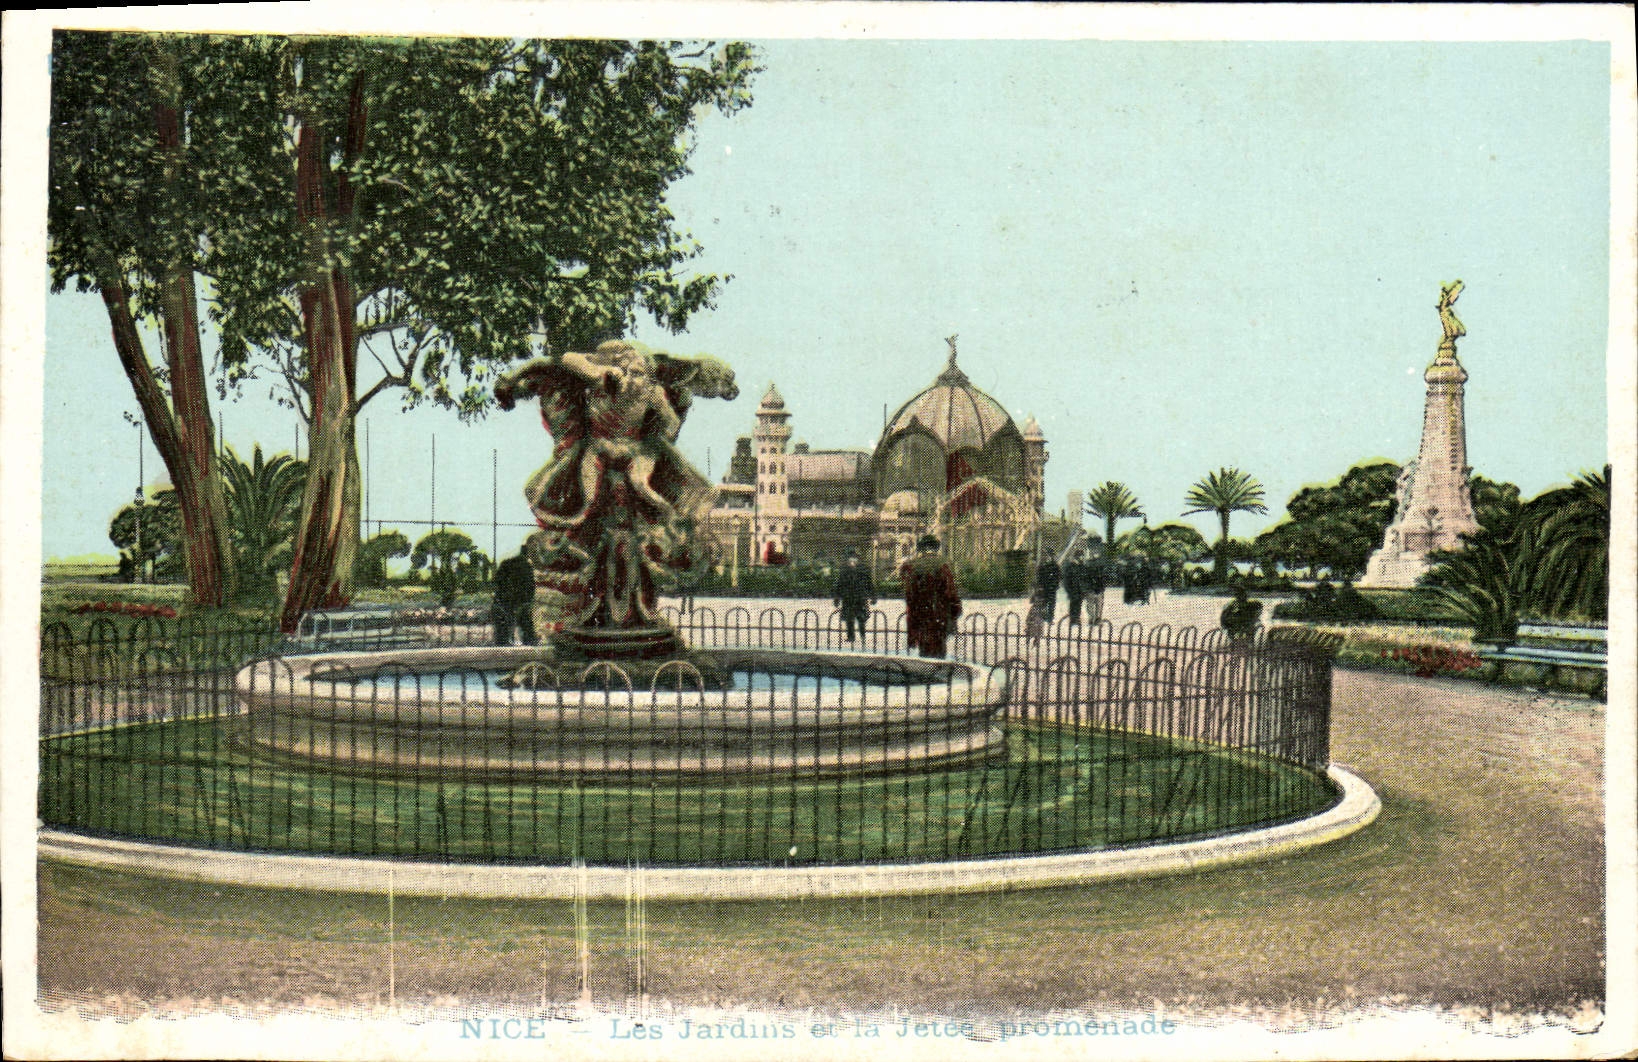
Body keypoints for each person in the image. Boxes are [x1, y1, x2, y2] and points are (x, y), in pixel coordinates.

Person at [902, 535, 962, 658]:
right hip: (940, 614)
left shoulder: (912, 566)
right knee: (939, 648)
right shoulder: (944, 565)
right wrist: (955, 611)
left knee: (925, 648)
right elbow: (950, 592)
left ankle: (927, 674)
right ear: (935, 548)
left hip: (920, 615)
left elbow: (910, 596)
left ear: (921, 549)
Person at [492, 548, 539, 646]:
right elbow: (531, 585)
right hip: (521, 599)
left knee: (505, 622)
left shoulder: (506, 563)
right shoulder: (526, 565)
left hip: (506, 598)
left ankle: (503, 641)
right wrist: (529, 598)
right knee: (525, 621)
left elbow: (497, 581)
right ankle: (529, 641)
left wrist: (500, 594)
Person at [831, 549, 877, 645]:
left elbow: (869, 584)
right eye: (850, 560)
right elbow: (839, 586)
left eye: (854, 559)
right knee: (849, 619)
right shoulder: (844, 572)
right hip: (848, 599)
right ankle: (851, 636)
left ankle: (862, 635)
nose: (852, 562)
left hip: (860, 599)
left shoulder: (863, 571)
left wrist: (873, 596)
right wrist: (837, 598)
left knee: (861, 618)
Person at [1063, 547, 1094, 627]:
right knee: (1073, 606)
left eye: (1082, 556)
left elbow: (1086, 578)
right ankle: (1073, 621)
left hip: (1080, 590)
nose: (1082, 558)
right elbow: (1066, 580)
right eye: (1081, 556)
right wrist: (1069, 591)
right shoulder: (1070, 567)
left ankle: (1077, 620)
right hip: (1073, 590)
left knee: (1078, 605)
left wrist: (1085, 588)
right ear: (1076, 557)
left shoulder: (1082, 566)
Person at [1034, 553, 1061, 624]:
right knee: (1043, 603)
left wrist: (1056, 585)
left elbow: (1059, 576)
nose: (1046, 557)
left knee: (1051, 604)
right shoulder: (1042, 566)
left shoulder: (1055, 566)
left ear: (1051, 557)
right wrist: (1039, 586)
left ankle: (1050, 619)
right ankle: (1043, 617)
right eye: (1045, 556)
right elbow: (1038, 577)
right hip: (1044, 588)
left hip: (1052, 588)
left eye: (1048, 556)